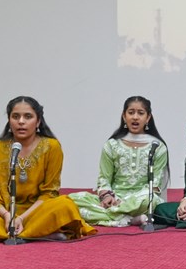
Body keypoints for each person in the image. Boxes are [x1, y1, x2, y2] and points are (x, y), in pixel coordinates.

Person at [0, 96, 96, 241]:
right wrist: (7, 215)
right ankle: (36, 234)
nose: (21, 121)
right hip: (2, 212)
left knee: (65, 206)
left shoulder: (52, 147)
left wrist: (21, 218)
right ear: (9, 120)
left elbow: (49, 192)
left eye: (28, 116)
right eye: (15, 116)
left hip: (36, 211)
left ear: (38, 121)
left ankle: (14, 233)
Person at [69, 96, 170, 227]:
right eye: (131, 112)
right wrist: (107, 197)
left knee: (151, 200)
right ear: (124, 116)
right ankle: (128, 218)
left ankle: (109, 217)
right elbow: (104, 178)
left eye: (140, 113)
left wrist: (126, 202)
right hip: (114, 198)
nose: (135, 117)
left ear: (148, 117)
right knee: (71, 200)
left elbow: (155, 185)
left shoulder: (157, 147)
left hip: (140, 200)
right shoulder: (112, 145)